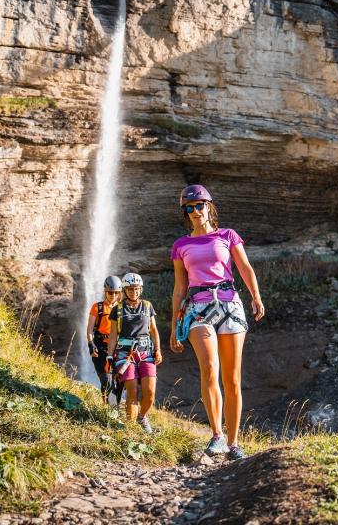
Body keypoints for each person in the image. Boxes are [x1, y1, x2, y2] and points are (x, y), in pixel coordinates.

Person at [169, 185, 265, 460]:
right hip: (198, 307)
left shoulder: (227, 235)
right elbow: (179, 287)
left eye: (199, 205)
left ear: (209, 206)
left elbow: (245, 267)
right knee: (210, 367)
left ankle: (234, 443)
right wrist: (174, 324)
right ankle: (217, 436)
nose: (195, 211)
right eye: (189, 208)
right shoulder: (181, 245)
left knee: (232, 378)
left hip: (230, 304)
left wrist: (256, 297)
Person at [107, 272, 162, 432]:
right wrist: (110, 356)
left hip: (146, 353)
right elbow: (112, 335)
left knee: (150, 392)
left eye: (137, 289)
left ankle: (142, 417)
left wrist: (158, 349)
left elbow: (154, 330)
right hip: (124, 354)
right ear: (124, 290)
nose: (134, 292)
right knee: (132, 390)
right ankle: (131, 431)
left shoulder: (147, 306)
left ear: (141, 289)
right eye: (130, 289)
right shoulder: (117, 309)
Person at [87, 275, 123, 404]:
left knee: (119, 382)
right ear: (105, 291)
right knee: (106, 381)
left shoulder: (122, 308)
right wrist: (90, 343)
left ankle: (115, 407)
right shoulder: (97, 308)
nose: (113, 295)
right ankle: (106, 409)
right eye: (110, 292)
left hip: (118, 348)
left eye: (116, 293)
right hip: (100, 347)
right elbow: (90, 328)